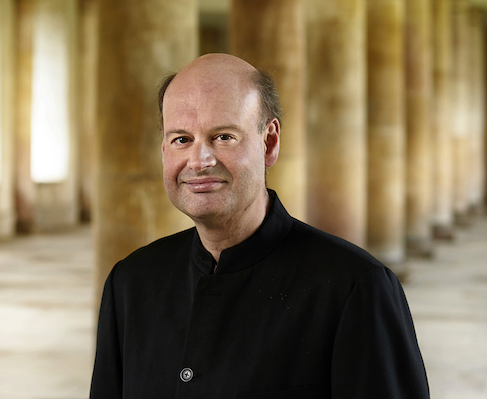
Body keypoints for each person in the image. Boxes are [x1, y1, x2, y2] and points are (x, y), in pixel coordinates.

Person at [90, 53, 430, 398]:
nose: (199, 160)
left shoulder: (356, 287)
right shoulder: (130, 282)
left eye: (223, 137)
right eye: (182, 139)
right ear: (164, 149)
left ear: (269, 142)